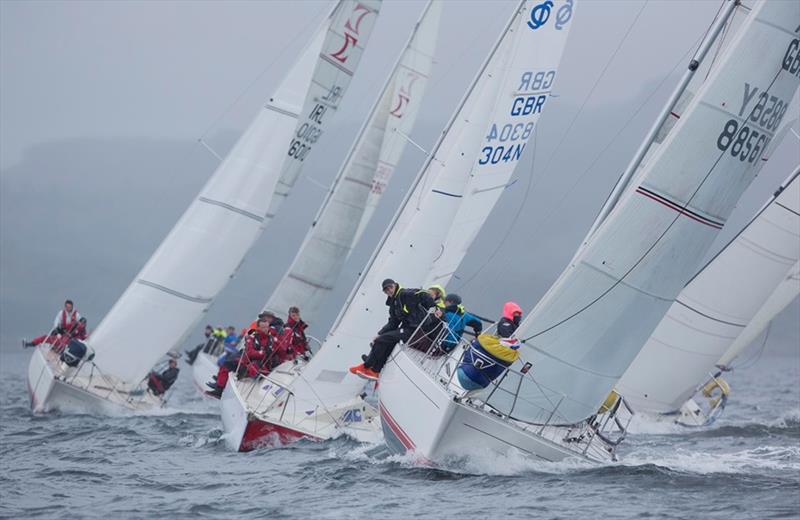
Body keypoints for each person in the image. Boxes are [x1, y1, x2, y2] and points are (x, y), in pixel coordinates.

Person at [349, 278, 435, 380]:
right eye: (386, 290)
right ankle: (375, 371)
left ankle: (366, 366)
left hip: (417, 329)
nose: (389, 290)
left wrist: (434, 307)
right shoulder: (393, 304)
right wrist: (380, 333)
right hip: (407, 328)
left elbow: (422, 293)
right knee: (384, 341)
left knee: (382, 339)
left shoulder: (405, 294)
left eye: (390, 287)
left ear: (395, 285)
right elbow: (393, 323)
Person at [456, 301, 522, 391]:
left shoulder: (513, 325)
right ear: (510, 312)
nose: (518, 315)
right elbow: (507, 337)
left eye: (519, 314)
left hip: (466, 372)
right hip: (483, 376)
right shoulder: (505, 323)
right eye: (516, 313)